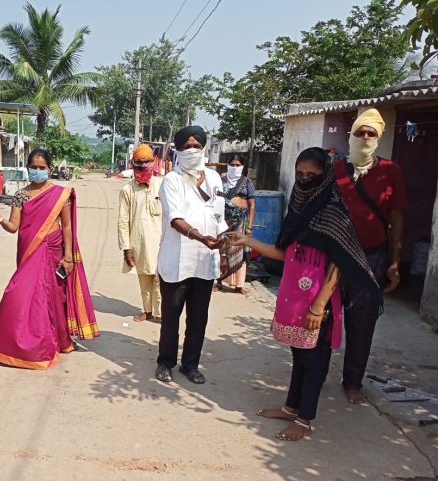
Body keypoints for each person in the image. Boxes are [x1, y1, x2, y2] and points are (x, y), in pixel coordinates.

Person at [229, 148, 380, 441]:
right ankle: (290, 407)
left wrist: (319, 305)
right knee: (299, 356)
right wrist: (247, 240)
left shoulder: (334, 212)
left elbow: (340, 262)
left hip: (317, 303)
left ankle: (305, 419)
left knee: (315, 361)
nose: (306, 179)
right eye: (301, 174)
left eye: (313, 175)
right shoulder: (297, 210)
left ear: (325, 177)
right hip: (293, 297)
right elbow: (285, 255)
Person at [0, 149, 99, 369]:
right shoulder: (21, 194)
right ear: (28, 167)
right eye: (33, 167)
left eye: (42, 168)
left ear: (50, 168)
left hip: (54, 248)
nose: (37, 171)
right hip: (29, 251)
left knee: (55, 296)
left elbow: (66, 226)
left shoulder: (60, 194)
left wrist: (68, 257)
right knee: (20, 294)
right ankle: (26, 344)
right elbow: (13, 227)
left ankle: (61, 340)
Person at [333, 108, 406, 404]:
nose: (365, 137)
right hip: (334, 257)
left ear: (378, 137)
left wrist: (394, 261)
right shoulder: (334, 170)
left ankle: (353, 381)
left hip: (372, 258)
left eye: (371, 133)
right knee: (324, 317)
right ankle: (314, 373)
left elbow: (397, 216)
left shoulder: (390, 171)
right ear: (351, 135)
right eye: (360, 132)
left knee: (362, 322)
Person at [155, 126, 228, 385]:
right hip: (177, 260)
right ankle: (165, 362)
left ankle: (190, 365)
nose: (192, 150)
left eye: (197, 145)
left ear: (204, 147)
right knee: (171, 316)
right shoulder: (171, 180)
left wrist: (223, 238)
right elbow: (175, 219)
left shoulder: (214, 178)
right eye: (186, 146)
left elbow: (218, 215)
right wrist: (199, 237)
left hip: (205, 261)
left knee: (198, 318)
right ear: (177, 149)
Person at [118, 144, 163, 322]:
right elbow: (122, 220)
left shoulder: (163, 185)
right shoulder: (127, 189)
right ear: (133, 164)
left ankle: (160, 314)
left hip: (160, 242)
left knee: (160, 280)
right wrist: (126, 248)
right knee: (144, 278)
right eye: (139, 163)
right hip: (138, 243)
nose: (143, 166)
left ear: (154, 162)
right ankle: (148, 311)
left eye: (147, 162)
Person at [215, 155, 256, 294]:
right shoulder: (220, 180)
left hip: (240, 223)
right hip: (223, 222)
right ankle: (218, 281)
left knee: (240, 253)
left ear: (242, 167)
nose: (235, 167)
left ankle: (239, 285)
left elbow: (251, 206)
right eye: (232, 164)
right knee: (221, 250)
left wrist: (249, 227)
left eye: (238, 165)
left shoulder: (247, 183)